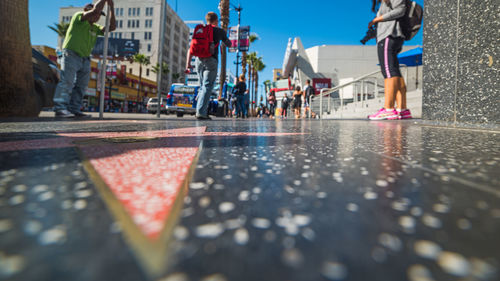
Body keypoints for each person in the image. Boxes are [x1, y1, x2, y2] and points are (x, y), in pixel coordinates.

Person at [53, 0, 116, 118]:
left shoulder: (95, 28)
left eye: (99, 15)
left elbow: (111, 27)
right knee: (67, 81)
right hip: (71, 55)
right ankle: (60, 108)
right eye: (96, 14)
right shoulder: (78, 18)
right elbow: (95, 10)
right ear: (87, 12)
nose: (97, 16)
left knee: (81, 86)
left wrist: (111, 7)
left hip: (85, 58)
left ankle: (74, 109)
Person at [368, 0, 412, 120]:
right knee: (394, 71)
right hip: (391, 35)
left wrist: (377, 19)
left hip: (389, 36)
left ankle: (388, 109)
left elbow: (400, 10)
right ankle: (402, 110)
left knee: (388, 71)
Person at [186, 12, 232, 120]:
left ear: (207, 20)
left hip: (198, 60)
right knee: (207, 86)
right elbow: (229, 44)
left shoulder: (200, 30)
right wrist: (225, 38)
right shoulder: (219, 31)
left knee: (202, 86)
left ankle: (200, 110)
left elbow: (191, 48)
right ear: (216, 21)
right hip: (211, 60)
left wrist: (188, 64)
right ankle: (201, 112)